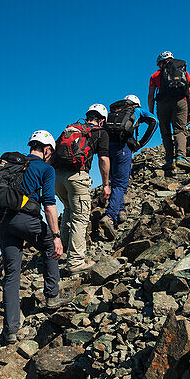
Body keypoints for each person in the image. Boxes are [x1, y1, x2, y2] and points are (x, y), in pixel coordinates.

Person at [0, 131, 67, 342]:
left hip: (2, 222)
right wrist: (56, 235)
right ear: (46, 150)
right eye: (50, 152)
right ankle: (52, 296)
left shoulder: (12, 165)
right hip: (26, 220)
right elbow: (49, 205)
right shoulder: (45, 168)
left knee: (11, 273)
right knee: (48, 247)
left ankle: (10, 331)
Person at [54, 106, 110, 273]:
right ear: (102, 120)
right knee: (81, 218)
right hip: (77, 176)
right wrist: (105, 184)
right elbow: (104, 159)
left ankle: (62, 250)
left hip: (58, 177)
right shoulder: (101, 132)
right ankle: (76, 262)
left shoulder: (70, 129)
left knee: (68, 210)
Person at [99, 95, 158, 238]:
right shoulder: (137, 111)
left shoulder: (114, 112)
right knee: (121, 185)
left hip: (107, 149)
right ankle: (110, 216)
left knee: (114, 182)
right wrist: (141, 143)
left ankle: (121, 212)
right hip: (123, 148)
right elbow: (154, 121)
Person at [148, 51, 190, 172]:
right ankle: (180, 157)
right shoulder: (184, 72)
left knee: (165, 132)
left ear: (160, 63)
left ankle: (169, 160)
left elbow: (151, 95)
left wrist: (151, 112)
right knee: (180, 130)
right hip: (180, 102)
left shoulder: (155, 76)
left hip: (162, 104)